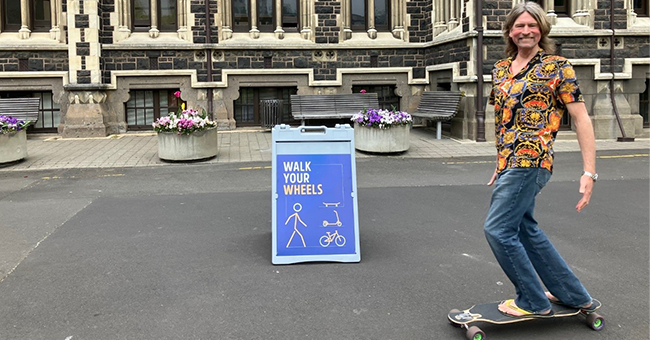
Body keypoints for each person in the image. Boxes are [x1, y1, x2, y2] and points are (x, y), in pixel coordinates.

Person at [485, 2, 600, 317]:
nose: (526, 31)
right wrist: (500, 162)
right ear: (510, 31)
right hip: (510, 162)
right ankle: (573, 294)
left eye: (532, 25)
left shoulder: (557, 66)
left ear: (542, 30)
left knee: (497, 229)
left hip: (532, 161)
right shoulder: (500, 69)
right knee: (524, 228)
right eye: (519, 26)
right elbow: (503, 121)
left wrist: (589, 173)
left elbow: (581, 119)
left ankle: (532, 300)